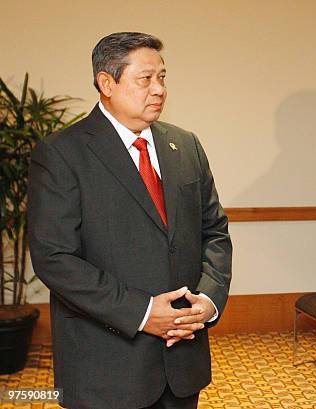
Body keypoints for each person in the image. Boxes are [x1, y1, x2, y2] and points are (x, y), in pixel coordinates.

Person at [27, 32, 232, 409]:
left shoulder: (185, 145)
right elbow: (54, 257)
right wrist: (141, 312)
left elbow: (214, 231)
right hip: (107, 369)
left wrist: (208, 299)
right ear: (107, 83)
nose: (159, 90)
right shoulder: (61, 153)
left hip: (183, 364)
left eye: (163, 78)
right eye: (145, 79)